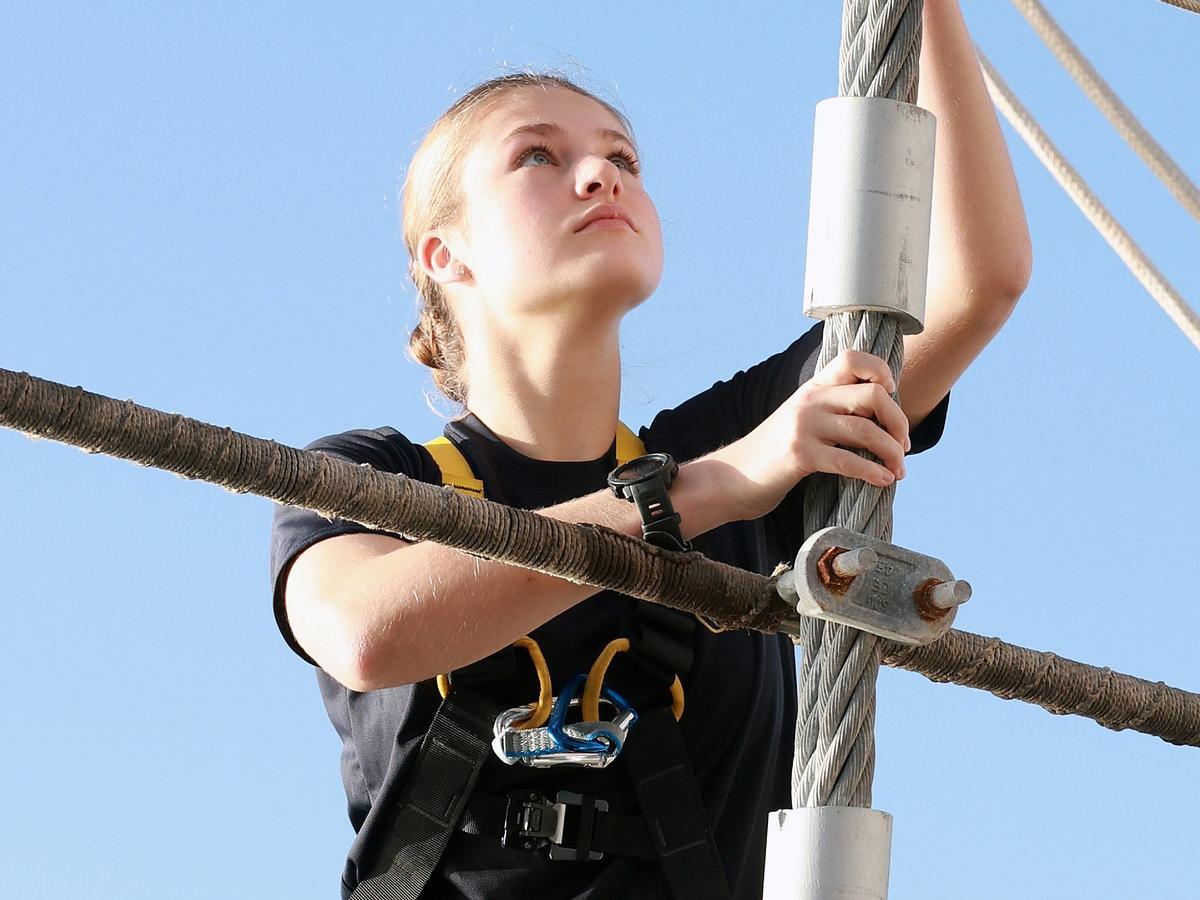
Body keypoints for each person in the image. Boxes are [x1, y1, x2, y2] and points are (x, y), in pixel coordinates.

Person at [269, 4, 1031, 897]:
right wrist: (708, 492)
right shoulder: (373, 479)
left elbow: (974, 284)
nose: (602, 174)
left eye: (624, 158)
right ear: (446, 253)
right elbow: (364, 634)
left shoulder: (744, 442)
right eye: (539, 156)